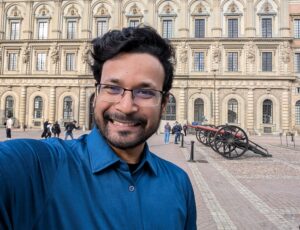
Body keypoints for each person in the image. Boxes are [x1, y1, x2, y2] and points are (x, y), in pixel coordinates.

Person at [0, 26, 196, 229]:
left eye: (145, 91)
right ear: (97, 94)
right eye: (112, 88)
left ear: (164, 104)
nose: (126, 106)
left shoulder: (179, 184)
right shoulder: (40, 167)